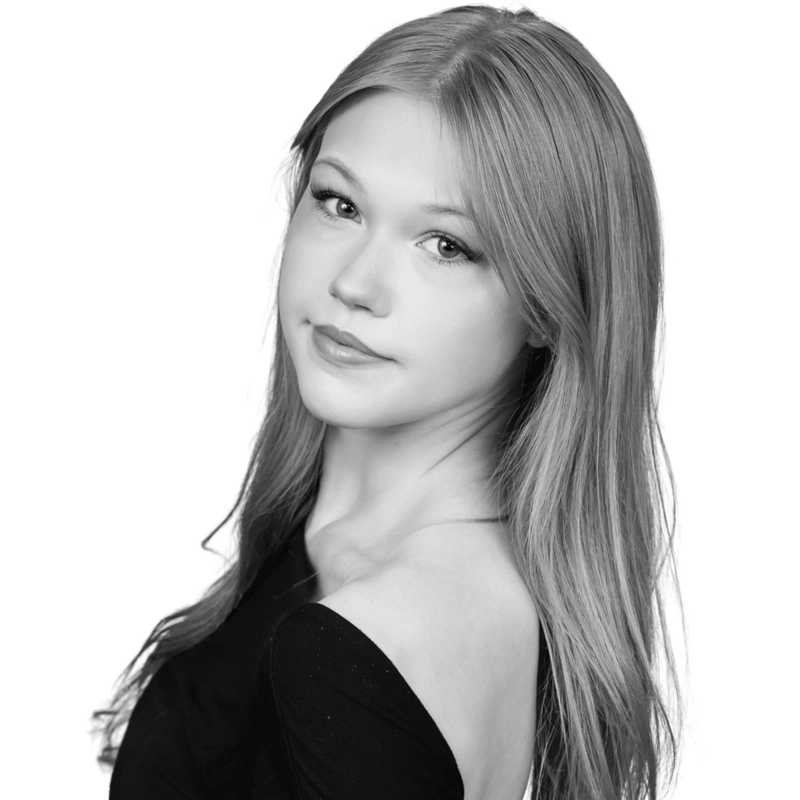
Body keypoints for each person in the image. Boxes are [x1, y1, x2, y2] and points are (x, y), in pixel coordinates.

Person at [94, 5, 681, 799]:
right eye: (340, 204)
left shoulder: (375, 637)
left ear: (549, 307)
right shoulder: (362, 558)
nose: (354, 284)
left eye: (447, 245)